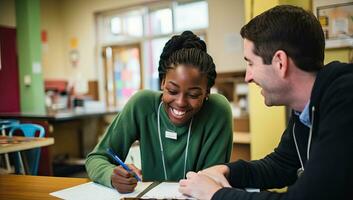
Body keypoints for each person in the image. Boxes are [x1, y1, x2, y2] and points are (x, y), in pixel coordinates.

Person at [179, 5, 353, 200]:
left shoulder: (345, 101)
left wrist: (216, 195)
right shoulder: (306, 109)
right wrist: (227, 170)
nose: (248, 77)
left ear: (280, 62)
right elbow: (282, 165)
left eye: (251, 63)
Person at [85, 31, 233, 193]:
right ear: (162, 82)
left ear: (207, 93)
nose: (181, 103)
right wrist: (111, 175)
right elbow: (96, 158)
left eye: (193, 95)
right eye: (172, 90)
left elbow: (211, 182)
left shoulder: (217, 110)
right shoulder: (142, 104)